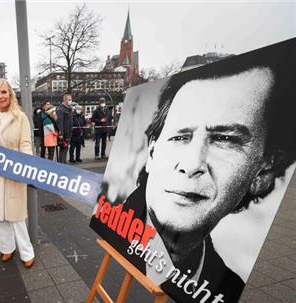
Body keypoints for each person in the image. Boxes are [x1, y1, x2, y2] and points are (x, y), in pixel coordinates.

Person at [91, 45, 296, 303]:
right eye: (180, 136)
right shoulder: (113, 224)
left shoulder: (225, 287)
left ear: (263, 171)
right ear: (151, 154)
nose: (191, 164)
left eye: (224, 139)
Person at [0, 78, 35, 268]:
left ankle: (27, 252)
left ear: (10, 94)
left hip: (15, 171)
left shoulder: (20, 117)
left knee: (16, 215)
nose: (0, 96)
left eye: (4, 92)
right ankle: (6, 248)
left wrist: (26, 167)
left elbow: (26, 144)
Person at [56, 94, 73, 163]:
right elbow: (59, 122)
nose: (70, 101)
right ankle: (61, 164)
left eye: (71, 99)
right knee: (63, 149)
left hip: (68, 132)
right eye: (69, 100)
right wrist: (61, 133)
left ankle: (63, 163)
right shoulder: (60, 109)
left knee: (65, 149)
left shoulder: (69, 108)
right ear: (65, 100)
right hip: (64, 133)